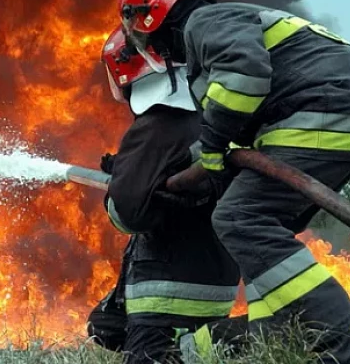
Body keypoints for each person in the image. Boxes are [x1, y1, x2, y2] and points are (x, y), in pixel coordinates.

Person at [114, 0, 350, 363]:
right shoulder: (223, 26)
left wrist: (210, 149)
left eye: (142, 36)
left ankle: (338, 346)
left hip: (324, 109)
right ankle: (277, 330)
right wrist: (191, 169)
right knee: (265, 226)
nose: (153, 49)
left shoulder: (204, 22)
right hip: (347, 112)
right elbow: (237, 122)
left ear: (151, 16)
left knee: (238, 218)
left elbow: (245, 78)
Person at [86, 25, 242, 364]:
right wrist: (133, 172)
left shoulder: (158, 123)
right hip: (216, 282)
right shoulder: (211, 118)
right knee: (105, 326)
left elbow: (127, 214)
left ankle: (238, 340)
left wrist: (119, 187)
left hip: (167, 292)